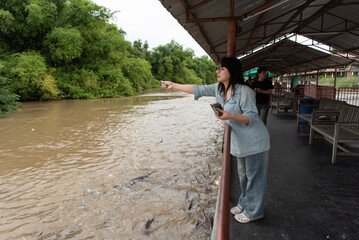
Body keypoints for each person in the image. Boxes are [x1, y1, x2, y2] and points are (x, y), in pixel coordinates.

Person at [161, 57, 270, 223]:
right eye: (217, 68)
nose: (217, 71)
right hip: (240, 142)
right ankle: (244, 203)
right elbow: (197, 88)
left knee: (254, 177)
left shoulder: (244, 91)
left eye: (221, 69)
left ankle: (254, 212)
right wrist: (173, 85)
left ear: (231, 71)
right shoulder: (219, 89)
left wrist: (230, 116)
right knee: (243, 176)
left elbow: (253, 117)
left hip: (255, 141)